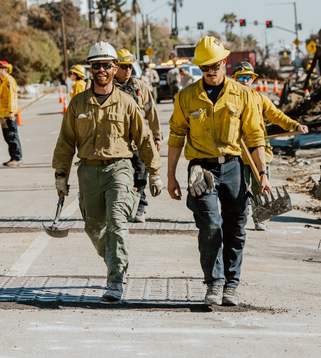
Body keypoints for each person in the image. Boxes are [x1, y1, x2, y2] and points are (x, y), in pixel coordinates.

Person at [52, 41, 163, 302]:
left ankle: (116, 279)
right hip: (88, 172)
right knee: (94, 228)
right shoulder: (78, 104)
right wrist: (60, 175)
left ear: (114, 68)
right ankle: (115, 260)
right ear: (90, 69)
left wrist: (154, 171)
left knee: (116, 222)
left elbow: (144, 139)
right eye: (96, 65)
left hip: (119, 169)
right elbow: (65, 142)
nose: (100, 69)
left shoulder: (127, 103)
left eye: (105, 65)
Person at [167, 36, 270, 307]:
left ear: (224, 62)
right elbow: (176, 136)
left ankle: (231, 285)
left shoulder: (242, 94)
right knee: (210, 225)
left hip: (234, 166)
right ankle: (214, 282)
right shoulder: (187, 96)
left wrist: (263, 174)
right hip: (201, 169)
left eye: (214, 65)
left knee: (235, 227)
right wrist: (170, 176)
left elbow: (255, 136)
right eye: (204, 67)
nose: (210, 71)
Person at [232, 62, 309, 231]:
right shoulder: (230, 101)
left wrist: (295, 125)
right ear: (235, 79)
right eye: (241, 78)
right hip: (238, 152)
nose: (244, 81)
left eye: (248, 77)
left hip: (259, 151)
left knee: (260, 185)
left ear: (253, 79)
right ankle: (239, 217)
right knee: (239, 187)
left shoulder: (260, 99)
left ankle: (261, 217)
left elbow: (277, 116)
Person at [114, 49, 163, 223]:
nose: (128, 69)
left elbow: (151, 112)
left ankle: (140, 209)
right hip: (116, 143)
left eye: (130, 66)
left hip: (138, 141)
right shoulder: (108, 87)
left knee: (140, 175)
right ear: (115, 67)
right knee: (118, 178)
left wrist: (157, 136)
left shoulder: (140, 86)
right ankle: (120, 209)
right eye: (124, 66)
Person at [0, 60, 22, 167]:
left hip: (9, 114)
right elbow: (0, 100)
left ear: (4, 69)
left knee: (12, 136)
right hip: (3, 114)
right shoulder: (2, 81)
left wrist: (11, 111)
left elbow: (12, 96)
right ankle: (13, 157)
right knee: (8, 137)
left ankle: (17, 158)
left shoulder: (9, 81)